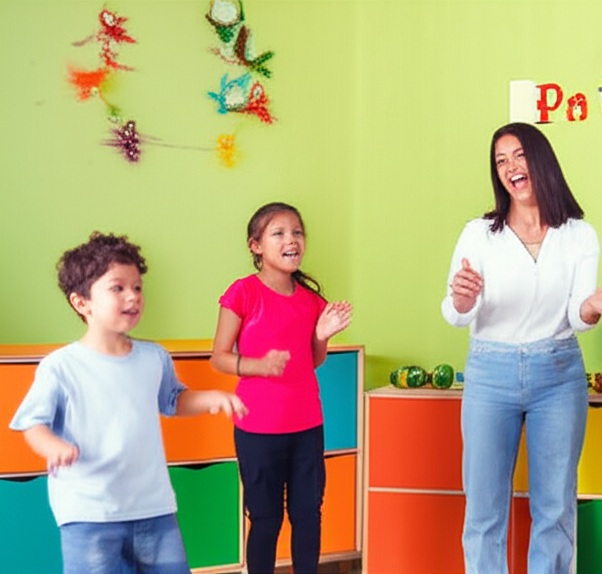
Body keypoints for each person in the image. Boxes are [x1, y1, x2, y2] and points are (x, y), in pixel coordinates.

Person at [442, 122, 602, 574]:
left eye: (519, 155)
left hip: (558, 372)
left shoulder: (579, 235)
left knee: (555, 507)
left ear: (541, 159)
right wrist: (463, 299)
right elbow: (455, 312)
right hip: (490, 373)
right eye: (500, 161)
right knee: (484, 508)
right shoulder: (479, 234)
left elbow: (577, 316)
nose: (510, 167)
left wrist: (596, 304)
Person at [9, 232, 247, 574]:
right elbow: (32, 422)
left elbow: (173, 399)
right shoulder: (61, 366)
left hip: (155, 509)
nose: (132, 296)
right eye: (117, 288)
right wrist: (52, 446)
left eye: (137, 287)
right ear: (82, 303)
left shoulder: (153, 357)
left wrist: (211, 397)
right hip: (89, 513)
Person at [210, 202, 352, 574]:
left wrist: (321, 335)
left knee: (308, 515)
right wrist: (257, 365)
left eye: (297, 232)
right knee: (266, 518)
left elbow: (313, 360)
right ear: (256, 246)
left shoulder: (311, 301)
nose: (292, 239)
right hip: (257, 429)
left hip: (307, 427)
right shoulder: (242, 293)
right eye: (279, 233)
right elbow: (219, 357)